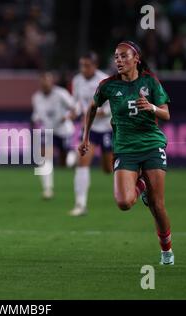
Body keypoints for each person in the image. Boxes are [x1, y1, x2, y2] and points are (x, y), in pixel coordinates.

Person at [78, 41, 174, 265]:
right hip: (125, 148)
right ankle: (141, 185)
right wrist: (85, 137)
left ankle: (166, 251)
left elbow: (166, 114)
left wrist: (151, 107)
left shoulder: (150, 81)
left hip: (151, 145)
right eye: (116, 57)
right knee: (123, 202)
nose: (118, 60)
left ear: (136, 58)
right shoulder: (108, 85)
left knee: (157, 204)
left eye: (123, 56)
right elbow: (92, 108)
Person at [70, 52, 113, 217]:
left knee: (107, 168)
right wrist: (75, 112)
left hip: (107, 128)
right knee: (82, 162)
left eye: (87, 65)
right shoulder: (77, 80)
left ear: (95, 65)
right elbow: (76, 102)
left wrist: (98, 112)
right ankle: (80, 204)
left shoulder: (105, 81)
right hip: (89, 129)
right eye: (82, 65)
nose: (83, 69)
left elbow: (112, 105)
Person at [31, 71, 77, 199]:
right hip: (49, 132)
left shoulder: (61, 94)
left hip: (64, 130)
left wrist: (68, 116)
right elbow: (36, 115)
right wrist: (34, 122)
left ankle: (75, 157)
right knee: (44, 158)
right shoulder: (37, 97)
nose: (44, 83)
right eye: (42, 80)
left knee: (66, 163)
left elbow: (75, 108)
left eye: (47, 80)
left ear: (52, 81)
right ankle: (47, 189)